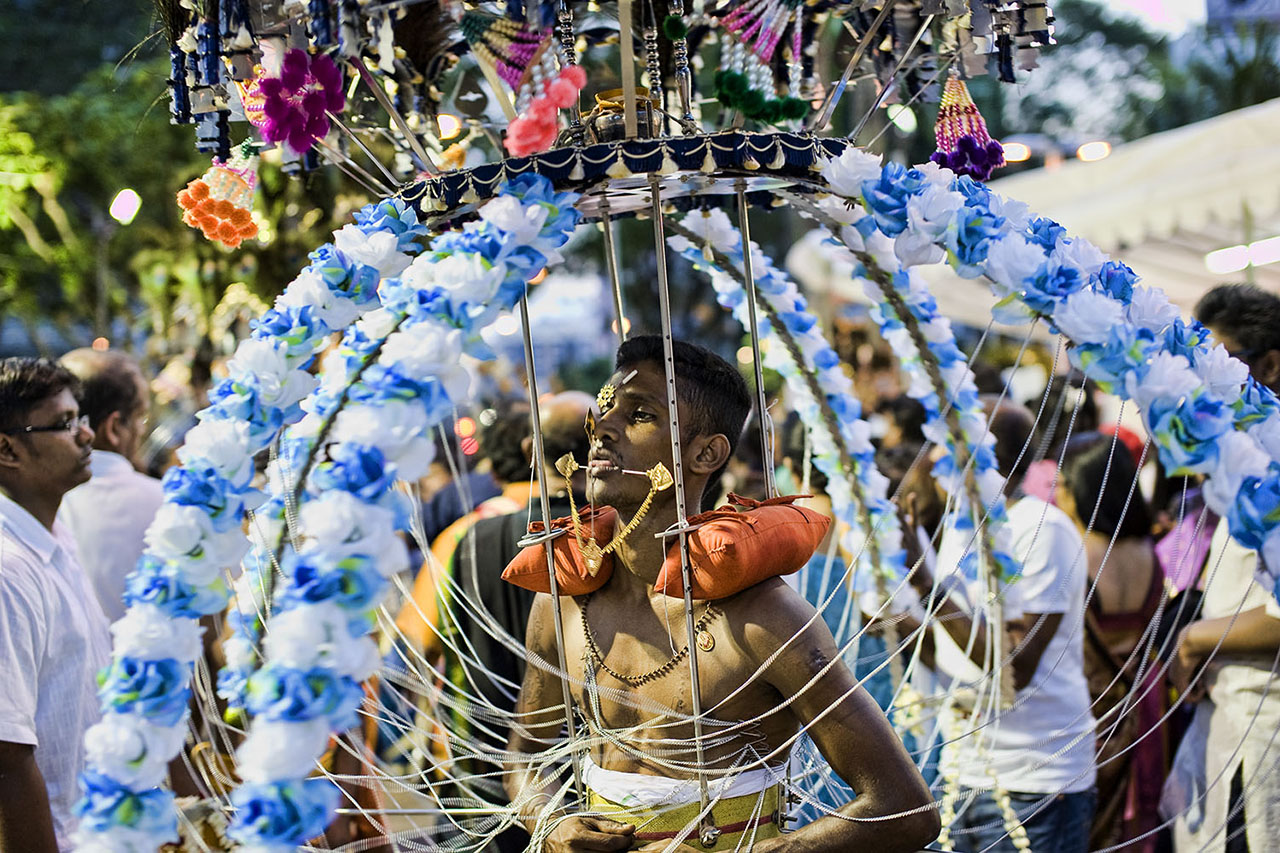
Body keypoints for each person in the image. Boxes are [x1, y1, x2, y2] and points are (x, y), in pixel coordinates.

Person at [505, 337, 939, 853]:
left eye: (639, 414)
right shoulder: (561, 602)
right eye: (605, 409)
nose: (602, 429)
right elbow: (524, 757)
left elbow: (905, 809)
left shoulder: (765, 619)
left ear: (706, 453)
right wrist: (550, 822)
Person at [913, 400, 1096, 853]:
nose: (935, 458)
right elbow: (948, 648)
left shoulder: (1041, 529)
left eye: (947, 445)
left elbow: (1014, 665)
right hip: (964, 768)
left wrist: (928, 591)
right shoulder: (963, 525)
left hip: (1034, 776)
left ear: (980, 454)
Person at [1162, 283, 1280, 853]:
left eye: (1219, 362)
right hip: (1231, 716)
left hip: (1266, 727)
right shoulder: (1249, 450)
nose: (1203, 379)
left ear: (1270, 365)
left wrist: (1195, 639)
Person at [0, 357, 111, 852]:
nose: (86, 435)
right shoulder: (9, 569)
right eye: (65, 424)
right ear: (7, 450)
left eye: (81, 418)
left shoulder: (54, 536)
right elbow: (8, 756)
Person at [1057, 432, 1165, 852]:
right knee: (1138, 825)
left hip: (1090, 707)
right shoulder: (1149, 551)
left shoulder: (1077, 553)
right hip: (1144, 703)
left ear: (1079, 491)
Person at [57, 348, 164, 621]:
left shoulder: (32, 499)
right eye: (142, 417)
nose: (143, 429)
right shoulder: (168, 503)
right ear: (114, 427)